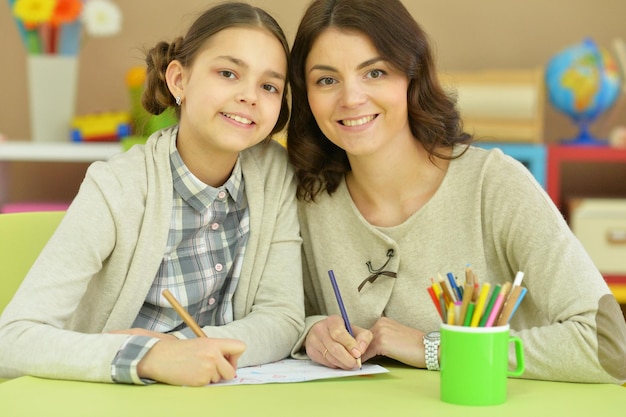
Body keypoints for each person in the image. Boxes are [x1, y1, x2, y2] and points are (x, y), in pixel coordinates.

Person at [287, 0, 626, 384]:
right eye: (326, 80)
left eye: (375, 72)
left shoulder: (495, 185)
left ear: (412, 76)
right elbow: (282, 316)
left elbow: (609, 347)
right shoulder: (305, 199)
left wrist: (435, 348)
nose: (350, 98)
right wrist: (312, 333)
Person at [0, 2, 303, 386]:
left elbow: (283, 317)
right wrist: (147, 358)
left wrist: (185, 347)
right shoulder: (116, 187)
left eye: (269, 86)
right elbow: (11, 340)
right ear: (179, 80)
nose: (250, 96)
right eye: (228, 73)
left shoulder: (273, 174)